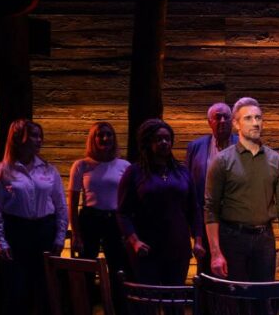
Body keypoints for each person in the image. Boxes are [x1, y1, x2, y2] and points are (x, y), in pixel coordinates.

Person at [0, 119, 68, 315]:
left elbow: (60, 205)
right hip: (17, 232)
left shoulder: (49, 170)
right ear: (18, 138)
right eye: (33, 135)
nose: (39, 140)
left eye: (40, 136)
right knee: (16, 294)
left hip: (44, 230)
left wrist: (59, 236)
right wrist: (0, 241)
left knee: (48, 293)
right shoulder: (2, 171)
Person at [205, 97, 279, 282]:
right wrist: (215, 252)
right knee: (235, 296)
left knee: (263, 296)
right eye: (248, 118)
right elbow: (211, 209)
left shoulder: (276, 160)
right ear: (236, 124)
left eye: (258, 118)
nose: (255, 123)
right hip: (232, 238)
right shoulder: (222, 161)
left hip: (264, 239)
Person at [117, 118, 201, 285]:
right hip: (147, 248)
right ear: (148, 142)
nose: (164, 142)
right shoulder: (135, 172)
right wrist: (134, 241)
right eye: (158, 139)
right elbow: (122, 212)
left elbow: (194, 209)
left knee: (174, 297)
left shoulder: (182, 172)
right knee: (149, 297)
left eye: (167, 139)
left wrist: (198, 241)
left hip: (178, 247)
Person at [68, 122, 130, 276]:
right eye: (100, 135)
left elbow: (129, 200)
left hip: (115, 220)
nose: (105, 138)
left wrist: (129, 231)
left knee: (118, 266)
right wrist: (76, 234)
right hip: (90, 218)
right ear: (93, 139)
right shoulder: (81, 165)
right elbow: (73, 203)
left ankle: (115, 292)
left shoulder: (124, 165)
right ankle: (88, 293)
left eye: (109, 134)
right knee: (87, 265)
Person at [186, 103, 236, 272]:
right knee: (206, 271)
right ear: (209, 122)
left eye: (226, 117)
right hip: (205, 221)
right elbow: (190, 188)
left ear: (232, 120)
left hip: (235, 222)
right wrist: (196, 233)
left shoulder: (242, 144)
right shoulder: (196, 147)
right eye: (217, 117)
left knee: (234, 270)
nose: (222, 121)